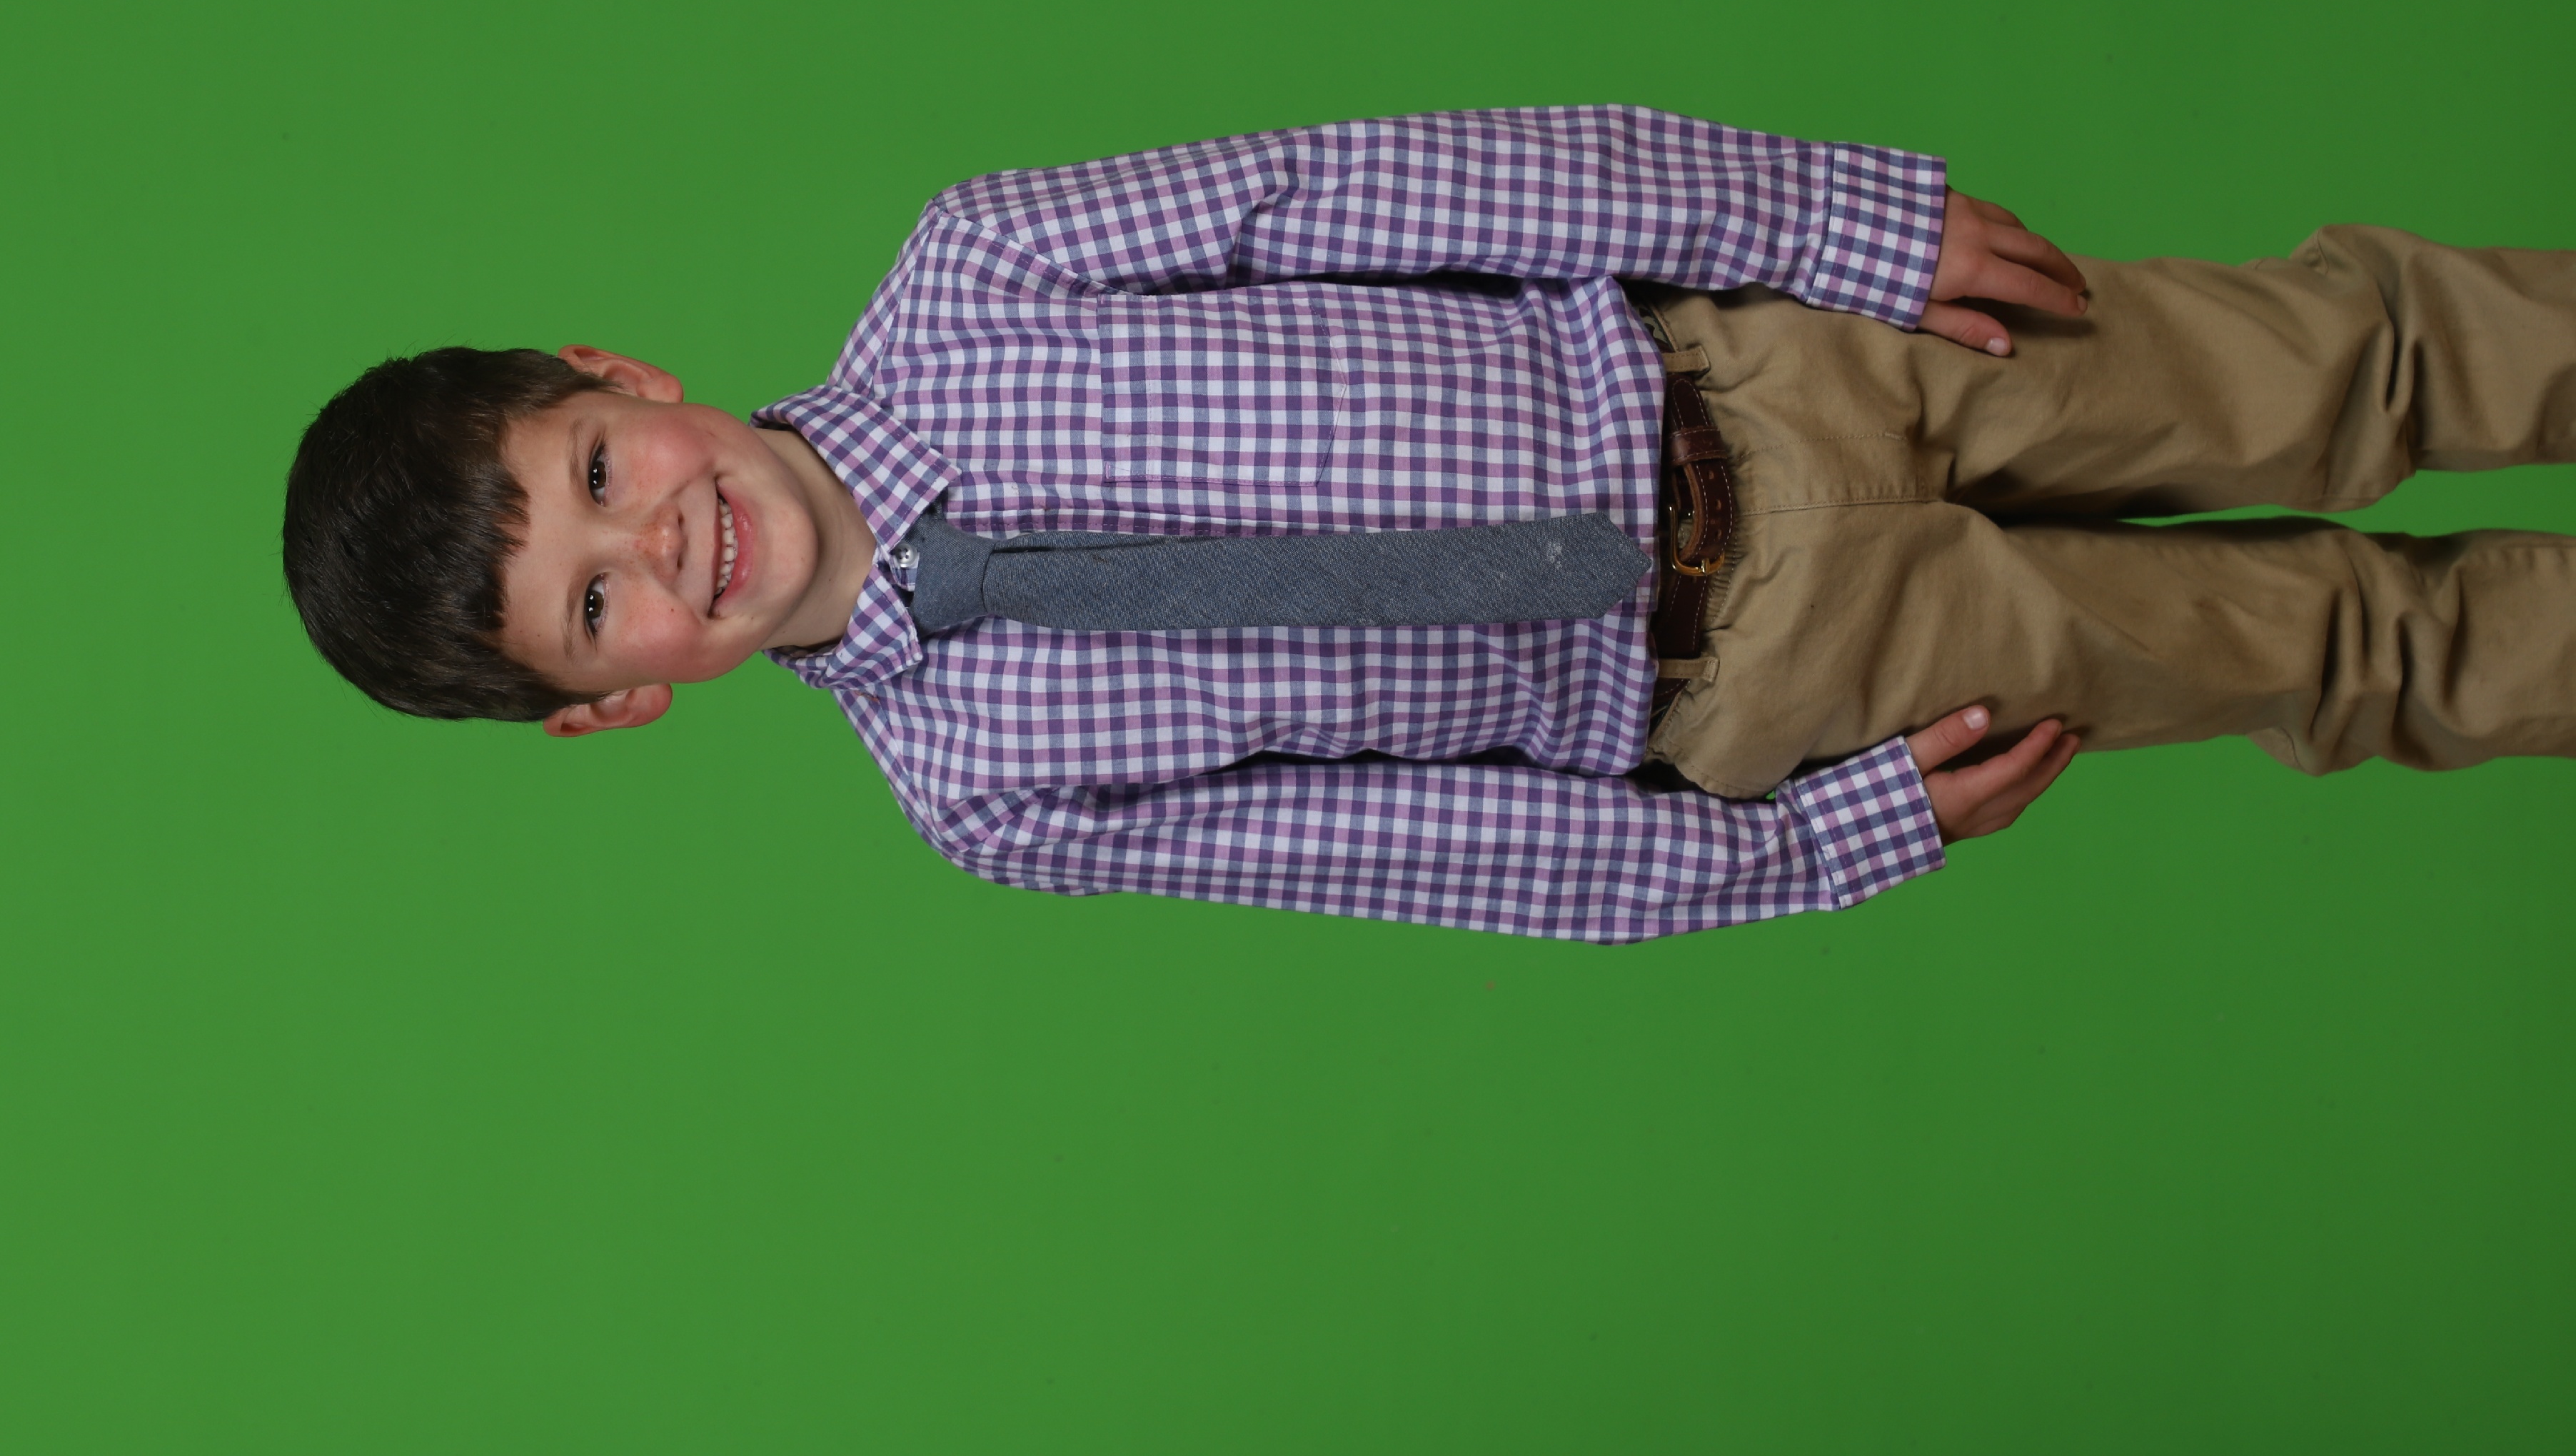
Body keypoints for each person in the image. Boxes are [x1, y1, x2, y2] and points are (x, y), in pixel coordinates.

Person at [282, 105, 2576, 943]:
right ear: (614, 709)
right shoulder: (986, 795)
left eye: (599, 480)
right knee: (2337, 651)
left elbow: (1424, 183)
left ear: (621, 379)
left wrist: (1826, 221)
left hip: (1769, 368)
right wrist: (1813, 843)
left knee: (2336, 359)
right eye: (595, 610)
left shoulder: (984, 260)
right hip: (1762, 674)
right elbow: (1430, 851)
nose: (659, 547)